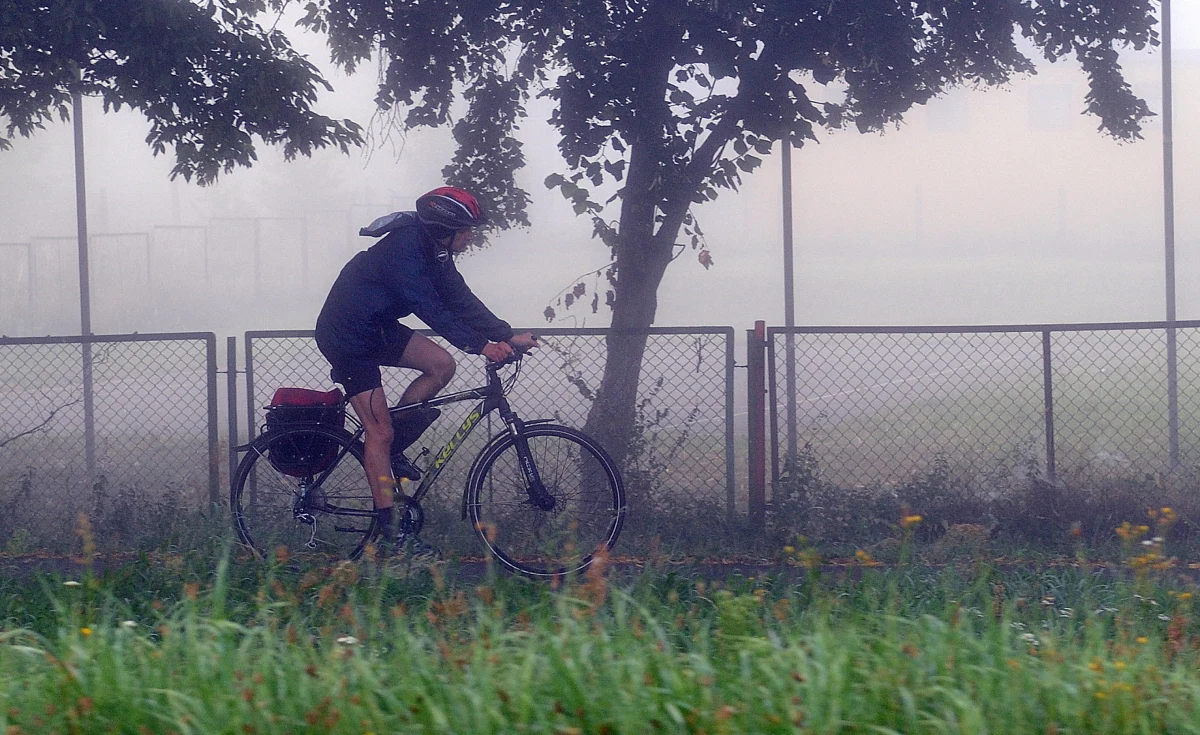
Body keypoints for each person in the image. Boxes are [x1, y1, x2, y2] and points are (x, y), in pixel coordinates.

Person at [315, 186, 538, 557]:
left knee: (440, 365)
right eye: (466, 230)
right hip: (347, 336)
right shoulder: (404, 249)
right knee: (379, 430)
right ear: (445, 227)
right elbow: (427, 305)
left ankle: (393, 448)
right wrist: (479, 345)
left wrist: (504, 334)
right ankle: (391, 532)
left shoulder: (435, 250)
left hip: (377, 327)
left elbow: (458, 298)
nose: (470, 237)